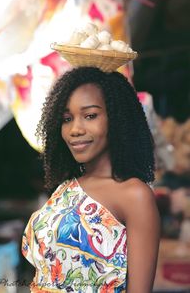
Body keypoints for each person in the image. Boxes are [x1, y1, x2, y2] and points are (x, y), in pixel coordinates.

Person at [22, 67, 160, 293]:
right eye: (67, 118)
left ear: (116, 119)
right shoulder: (66, 187)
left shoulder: (134, 195)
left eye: (90, 116)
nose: (75, 129)